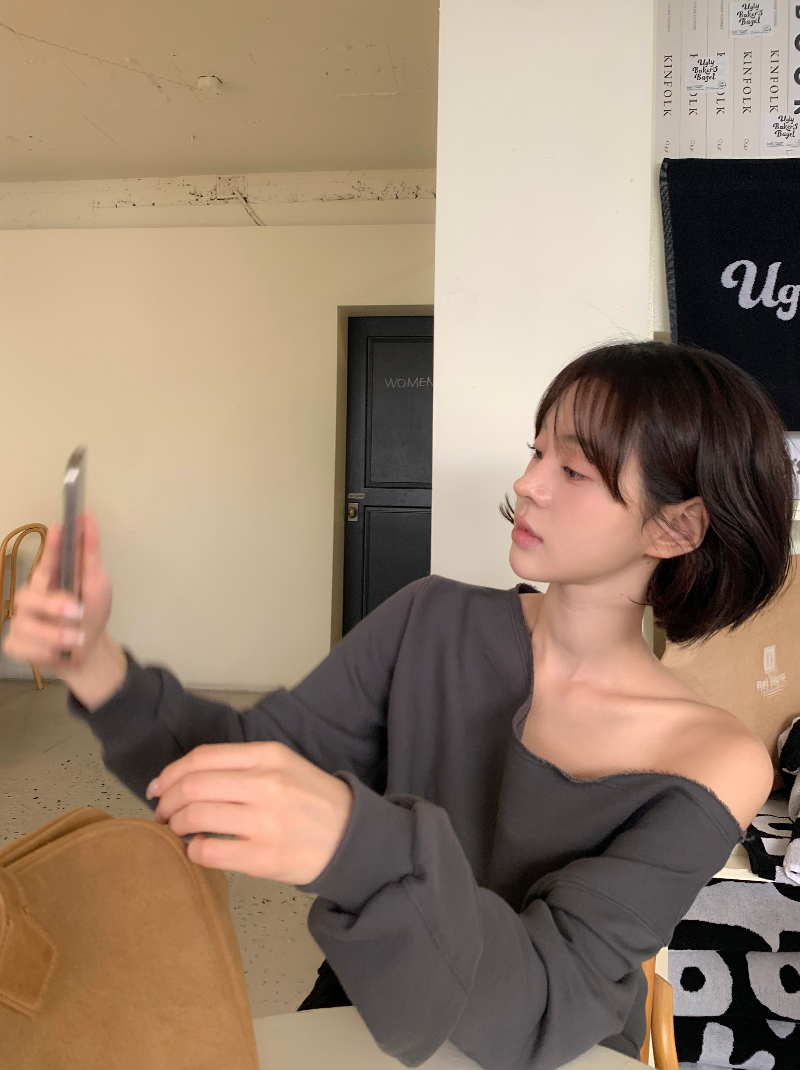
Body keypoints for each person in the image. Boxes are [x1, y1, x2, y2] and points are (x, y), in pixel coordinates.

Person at [4, 341, 795, 1070]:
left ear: (676, 527)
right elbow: (238, 766)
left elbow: (545, 1008)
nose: (528, 484)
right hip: (361, 1014)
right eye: (536, 452)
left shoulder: (716, 759)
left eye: (575, 470)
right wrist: (95, 664)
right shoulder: (430, 618)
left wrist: (366, 847)